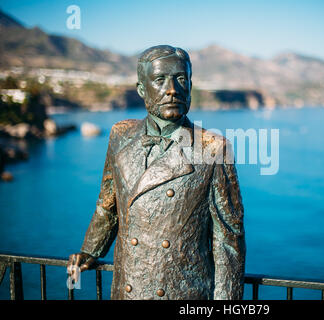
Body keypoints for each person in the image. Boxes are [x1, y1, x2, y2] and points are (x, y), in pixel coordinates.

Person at [67, 45, 246, 300]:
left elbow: (228, 241)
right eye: (160, 80)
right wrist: (90, 250)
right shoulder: (120, 135)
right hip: (127, 289)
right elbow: (108, 204)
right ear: (141, 89)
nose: (172, 89)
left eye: (180, 79)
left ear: (190, 87)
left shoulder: (213, 148)